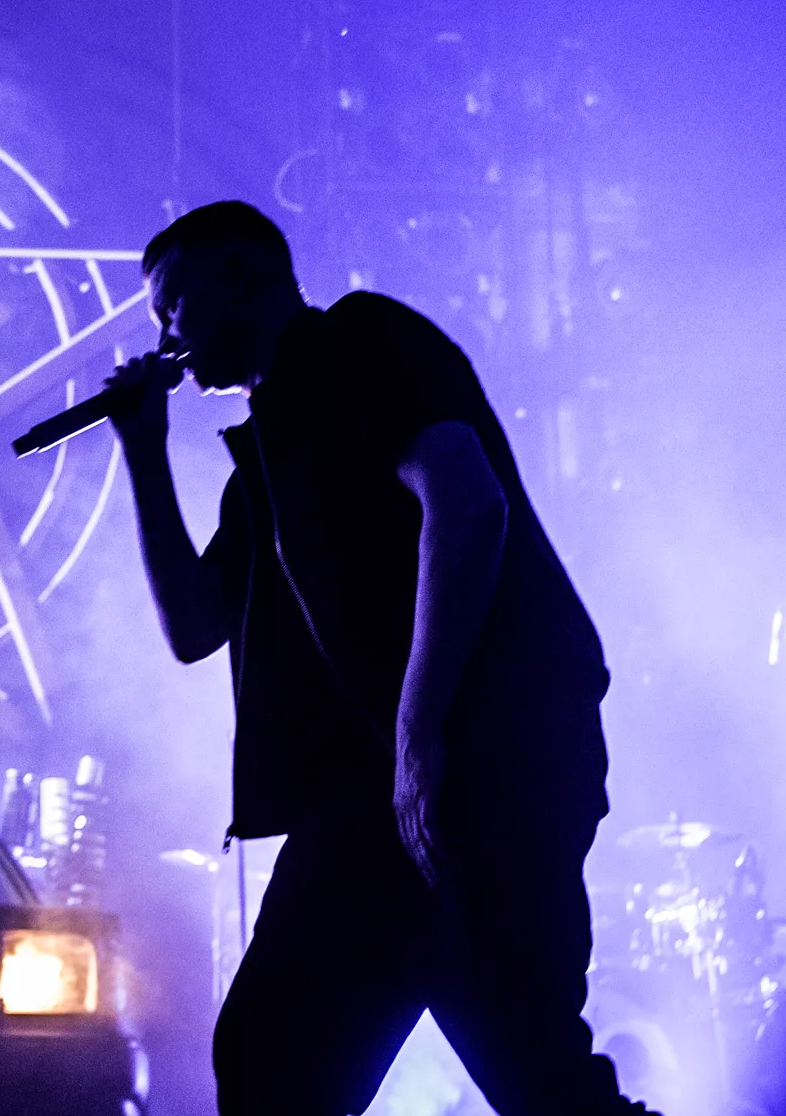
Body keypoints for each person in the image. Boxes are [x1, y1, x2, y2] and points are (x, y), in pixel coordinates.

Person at [104, 201, 651, 1116]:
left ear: (239, 274)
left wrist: (417, 732)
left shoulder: (358, 342)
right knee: (273, 1061)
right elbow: (194, 624)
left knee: (535, 1068)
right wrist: (143, 451)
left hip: (490, 762)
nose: (166, 337)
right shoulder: (267, 461)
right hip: (373, 798)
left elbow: (467, 502)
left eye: (173, 306)